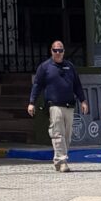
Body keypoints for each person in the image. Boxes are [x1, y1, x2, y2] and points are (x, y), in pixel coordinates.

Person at [27, 38, 87, 171]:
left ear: (64, 52)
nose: (58, 53)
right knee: (57, 132)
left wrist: (83, 100)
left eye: (60, 50)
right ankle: (62, 160)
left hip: (69, 105)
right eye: (55, 50)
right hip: (54, 105)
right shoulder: (45, 67)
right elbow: (37, 85)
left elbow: (77, 85)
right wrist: (32, 102)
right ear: (51, 51)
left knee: (67, 134)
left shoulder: (70, 67)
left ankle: (58, 160)